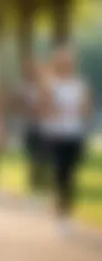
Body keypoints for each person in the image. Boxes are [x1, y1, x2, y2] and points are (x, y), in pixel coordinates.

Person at [41, 47, 92, 235]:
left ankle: (64, 208)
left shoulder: (80, 84)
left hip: (74, 134)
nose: (67, 65)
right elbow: (44, 108)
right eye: (63, 62)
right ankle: (61, 214)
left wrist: (82, 110)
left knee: (70, 174)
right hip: (55, 135)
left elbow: (86, 108)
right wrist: (54, 109)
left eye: (70, 62)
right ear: (58, 63)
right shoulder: (50, 83)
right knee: (61, 172)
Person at [13, 58, 50, 194]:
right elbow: (16, 104)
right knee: (33, 153)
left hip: (44, 126)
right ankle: (34, 180)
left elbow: (48, 105)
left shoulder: (46, 87)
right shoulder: (24, 87)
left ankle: (43, 181)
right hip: (29, 126)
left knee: (44, 155)